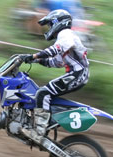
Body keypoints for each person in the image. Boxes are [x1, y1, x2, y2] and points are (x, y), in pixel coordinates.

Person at [21, 9, 89, 141]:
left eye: (50, 24)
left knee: (42, 93)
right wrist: (34, 60)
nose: (49, 28)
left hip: (78, 74)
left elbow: (55, 50)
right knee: (43, 93)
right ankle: (47, 121)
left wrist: (34, 55)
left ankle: (39, 132)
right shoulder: (64, 39)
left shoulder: (66, 33)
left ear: (58, 23)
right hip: (76, 73)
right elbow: (54, 62)